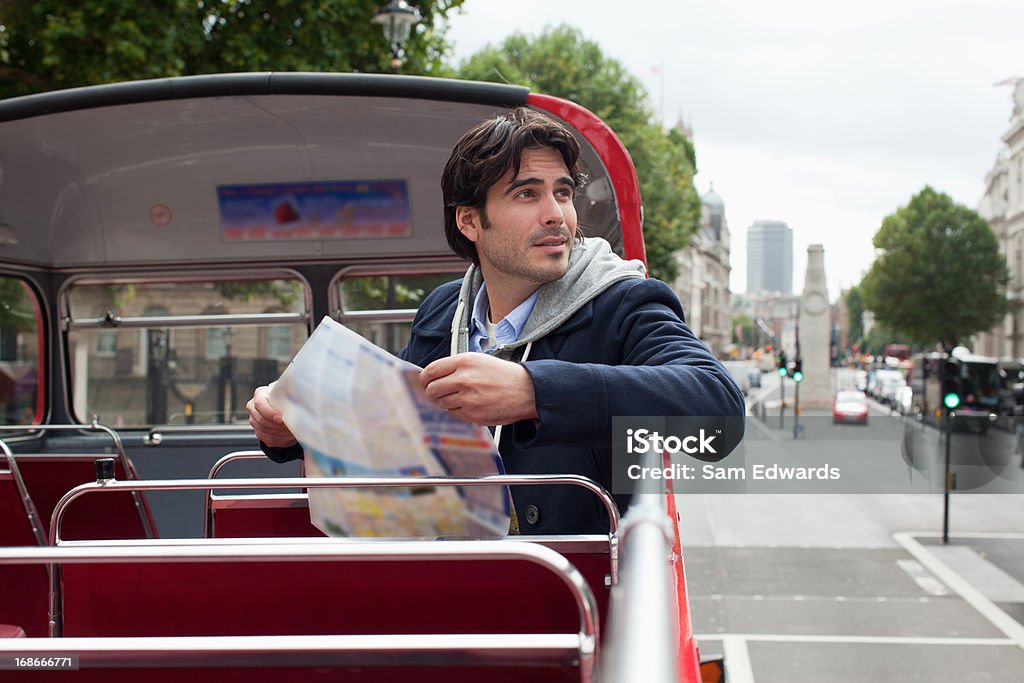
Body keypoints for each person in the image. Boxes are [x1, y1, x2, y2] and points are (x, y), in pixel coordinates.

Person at [248, 107, 744, 534]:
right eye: (527, 195)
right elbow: (386, 428)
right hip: (452, 581)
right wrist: (292, 428)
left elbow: (720, 414)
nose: (557, 215)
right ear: (470, 221)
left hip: (576, 599)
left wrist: (534, 391)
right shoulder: (443, 312)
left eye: (564, 193)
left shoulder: (623, 303)